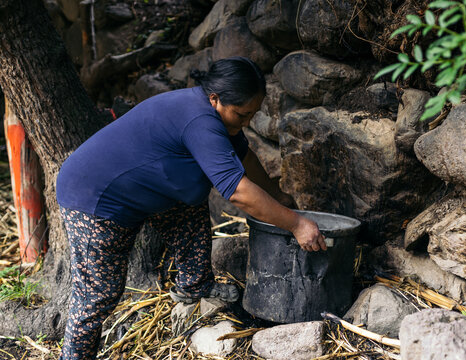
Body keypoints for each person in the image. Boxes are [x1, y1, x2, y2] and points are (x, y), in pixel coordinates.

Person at [55, 56, 326, 359]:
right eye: (241, 114)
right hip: (94, 197)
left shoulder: (219, 119)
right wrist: (296, 224)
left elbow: (245, 159)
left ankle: (194, 288)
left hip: (143, 189)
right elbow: (236, 191)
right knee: (98, 294)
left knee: (189, 207)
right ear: (215, 99)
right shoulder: (200, 121)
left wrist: (277, 197)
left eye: (253, 114)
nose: (247, 122)